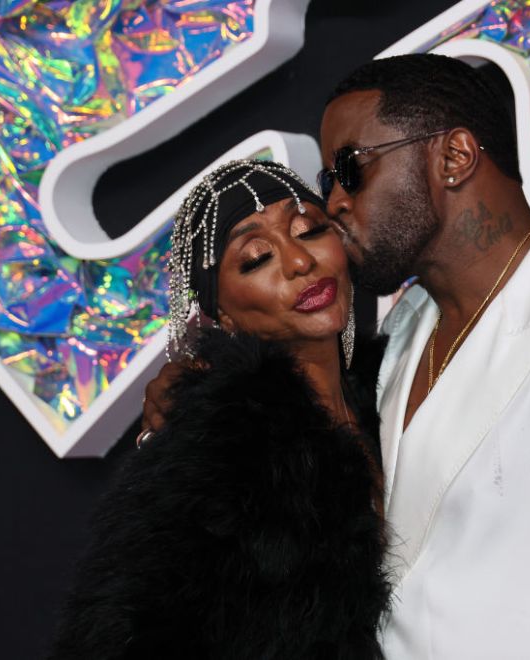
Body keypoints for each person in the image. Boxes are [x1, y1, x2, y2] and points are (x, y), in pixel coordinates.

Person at [143, 54, 530, 658]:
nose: (336, 204)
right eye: (328, 183)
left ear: (453, 158)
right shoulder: (403, 332)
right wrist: (193, 392)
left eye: (351, 168)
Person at [49, 160, 391, 659]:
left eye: (310, 231)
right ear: (223, 312)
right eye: (256, 258)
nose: (299, 262)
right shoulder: (218, 453)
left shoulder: (395, 383)